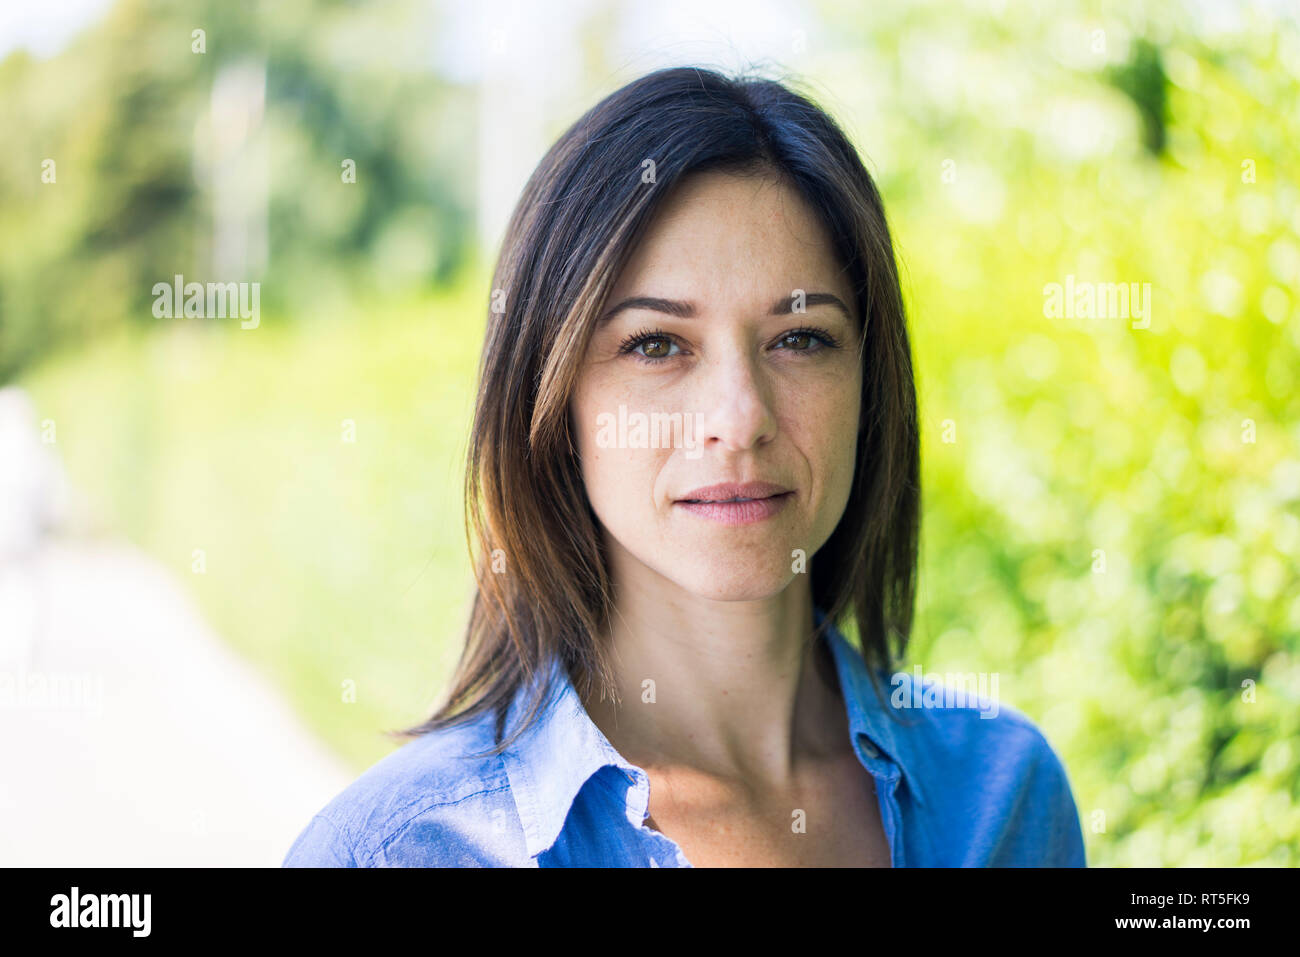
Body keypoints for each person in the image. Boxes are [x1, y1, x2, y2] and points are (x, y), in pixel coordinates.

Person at [283, 65, 1087, 867]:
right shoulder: (403, 852)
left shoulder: (1008, 796)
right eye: (657, 345)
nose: (740, 418)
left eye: (801, 338)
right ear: (555, 405)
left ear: (871, 388)